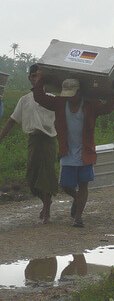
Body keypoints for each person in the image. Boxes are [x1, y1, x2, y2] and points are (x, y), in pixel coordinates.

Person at [33, 73, 114, 228]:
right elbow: (39, 98)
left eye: (72, 94)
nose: (69, 97)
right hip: (67, 152)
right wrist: (40, 80)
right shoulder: (60, 103)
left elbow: (108, 108)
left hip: (85, 152)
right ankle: (76, 198)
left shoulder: (91, 104)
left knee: (83, 185)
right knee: (66, 185)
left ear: (80, 92)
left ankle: (78, 217)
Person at [0, 64, 57, 224]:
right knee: (32, 177)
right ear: (29, 79)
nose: (36, 79)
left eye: (39, 76)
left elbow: (60, 123)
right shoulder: (24, 100)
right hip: (34, 140)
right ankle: (46, 202)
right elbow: (12, 121)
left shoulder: (52, 98)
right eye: (33, 76)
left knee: (47, 174)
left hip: (49, 140)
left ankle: (46, 211)